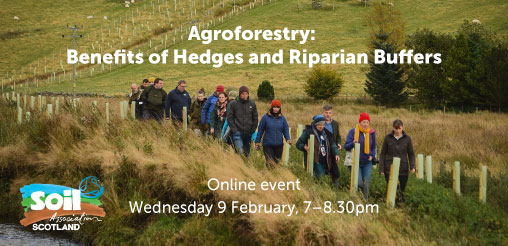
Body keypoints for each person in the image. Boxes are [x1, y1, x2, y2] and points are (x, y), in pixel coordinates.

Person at [296, 115, 340, 187]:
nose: (321, 126)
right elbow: (298, 143)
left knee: (331, 175)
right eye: (319, 124)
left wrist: (336, 153)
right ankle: (318, 192)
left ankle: (323, 191)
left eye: (323, 125)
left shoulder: (326, 133)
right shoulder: (308, 132)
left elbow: (332, 145)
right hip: (315, 160)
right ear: (315, 124)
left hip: (325, 159)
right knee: (320, 178)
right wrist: (304, 147)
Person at [379, 119, 415, 204]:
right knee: (392, 188)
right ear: (393, 128)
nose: (398, 131)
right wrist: (381, 169)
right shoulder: (388, 138)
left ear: (402, 127)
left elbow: (411, 154)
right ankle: (391, 206)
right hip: (389, 168)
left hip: (403, 169)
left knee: (401, 190)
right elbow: (383, 154)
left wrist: (412, 166)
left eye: (399, 128)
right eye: (396, 129)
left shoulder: (407, 139)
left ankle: (400, 207)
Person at [344, 112, 376, 200]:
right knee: (358, 183)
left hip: (367, 162)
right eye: (363, 122)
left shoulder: (372, 133)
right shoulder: (353, 131)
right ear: (359, 122)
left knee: (366, 184)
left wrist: (372, 155)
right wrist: (353, 143)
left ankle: (365, 202)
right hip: (355, 162)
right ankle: (355, 199)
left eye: (367, 122)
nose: (365, 124)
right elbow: (346, 147)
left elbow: (373, 147)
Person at [255, 100, 291, 168]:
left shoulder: (282, 118)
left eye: (277, 107)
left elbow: (285, 129)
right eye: (274, 107)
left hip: (279, 145)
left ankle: (274, 177)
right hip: (268, 145)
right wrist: (257, 142)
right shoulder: (265, 117)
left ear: (280, 108)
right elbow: (260, 130)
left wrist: (288, 139)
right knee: (270, 163)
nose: (276, 109)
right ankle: (269, 177)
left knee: (277, 163)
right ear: (271, 107)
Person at [227, 86, 258, 157]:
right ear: (239, 94)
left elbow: (255, 118)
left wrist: (252, 130)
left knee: (246, 154)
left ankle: (243, 167)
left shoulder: (252, 104)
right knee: (239, 152)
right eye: (243, 94)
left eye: (246, 94)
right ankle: (238, 165)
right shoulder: (233, 104)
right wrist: (235, 130)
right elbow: (230, 118)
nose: (244, 95)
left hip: (248, 133)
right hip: (237, 133)